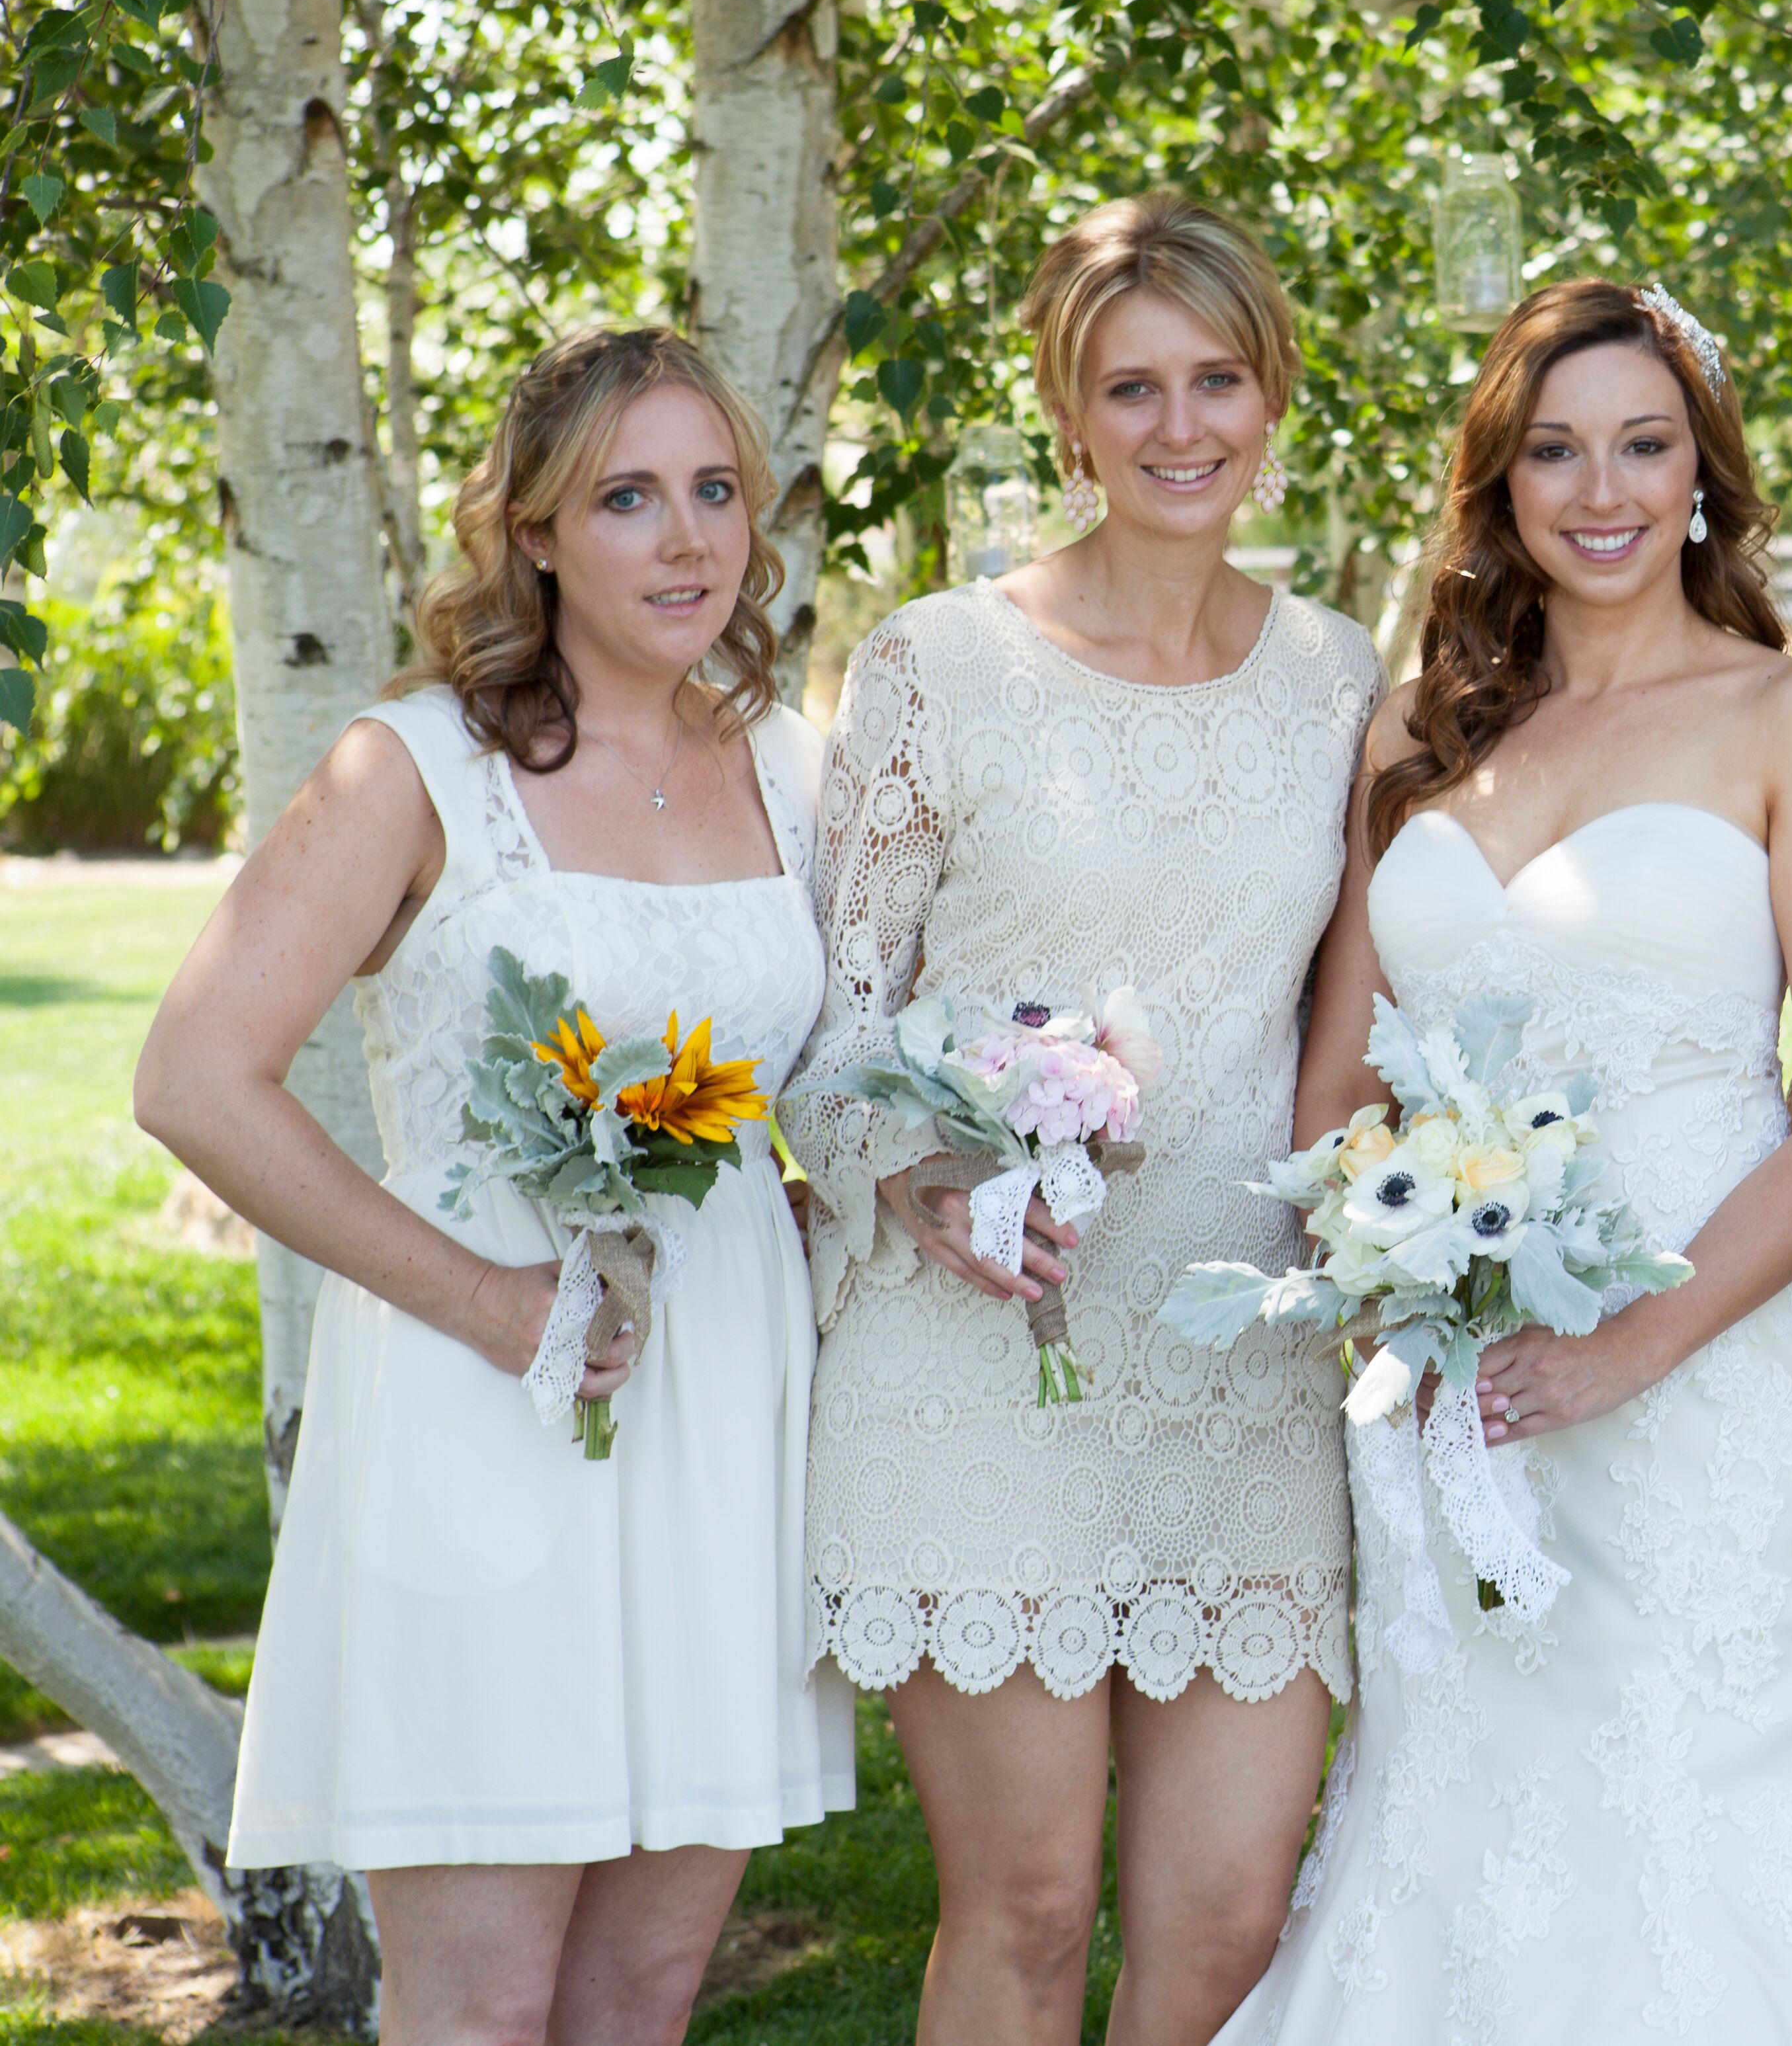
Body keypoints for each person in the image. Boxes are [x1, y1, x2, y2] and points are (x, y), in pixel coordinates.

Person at [1215, 278, 1792, 2045]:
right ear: (1498, 486)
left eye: (1644, 446)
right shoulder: (1422, 728)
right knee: (1464, 1818)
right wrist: (1391, 1298)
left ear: (1705, 475)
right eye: (1556, 452)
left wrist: (1632, 1346)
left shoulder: (1787, 718)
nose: (1602, 491)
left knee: (1708, 1838)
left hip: (1700, 1383)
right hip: (1452, 1386)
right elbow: (1338, 1080)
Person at [138, 327, 849, 2043]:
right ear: (531, 531)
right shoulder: (417, 767)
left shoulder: (790, 770)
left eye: (714, 493)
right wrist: (490, 1303)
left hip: (722, 1426)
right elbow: (194, 1079)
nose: (687, 542)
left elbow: (830, 1076)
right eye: (626, 498)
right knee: (484, 2012)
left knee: (641, 2001)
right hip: (490, 1409)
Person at [778, 192, 1379, 2046]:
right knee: (1026, 1916)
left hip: (1243, 1367)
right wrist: (923, 1171)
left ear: (1273, 393)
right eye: (1133, 389)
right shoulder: (940, 666)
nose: (1180, 428)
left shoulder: (1345, 681)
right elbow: (828, 1020)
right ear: (1069, 414)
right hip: (980, 1357)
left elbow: (1347, 1029)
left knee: (1224, 1932)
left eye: (1217, 380)